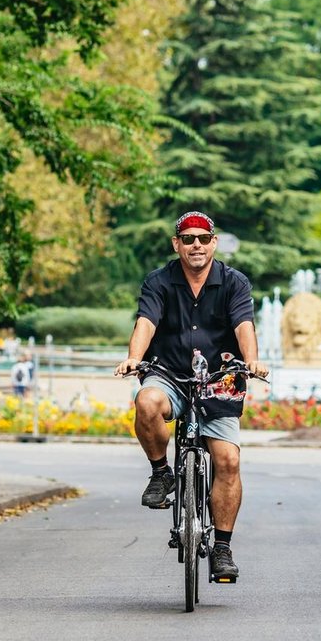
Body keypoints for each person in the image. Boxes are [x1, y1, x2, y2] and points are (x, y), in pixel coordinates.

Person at [114, 212, 267, 584]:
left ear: (214, 242)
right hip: (169, 373)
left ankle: (222, 548)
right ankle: (161, 474)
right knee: (146, 401)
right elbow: (146, 321)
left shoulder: (234, 282)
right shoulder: (159, 281)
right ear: (176, 244)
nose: (195, 245)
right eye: (187, 239)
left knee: (228, 460)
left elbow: (243, 323)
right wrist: (134, 357)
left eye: (202, 238)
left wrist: (251, 360)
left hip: (220, 377)